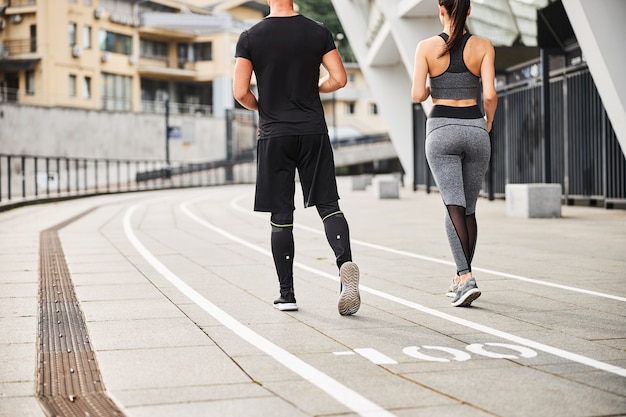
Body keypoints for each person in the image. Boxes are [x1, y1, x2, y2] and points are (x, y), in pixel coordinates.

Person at [232, 0, 361, 315]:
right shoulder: (318, 31)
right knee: (328, 204)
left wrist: (264, 107)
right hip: (312, 130)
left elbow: (240, 91)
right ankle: (345, 266)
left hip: (275, 133)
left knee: (281, 214)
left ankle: (287, 295)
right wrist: (316, 87)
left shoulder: (250, 36)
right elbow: (340, 79)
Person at [411, 0, 497, 307]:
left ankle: (465, 276)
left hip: (442, 130)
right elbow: (488, 94)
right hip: (475, 128)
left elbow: (417, 94)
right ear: (469, 10)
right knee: (469, 209)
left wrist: (436, 87)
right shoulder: (484, 46)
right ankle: (461, 278)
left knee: (453, 206)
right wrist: (488, 121)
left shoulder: (426, 47)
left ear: (441, 10)